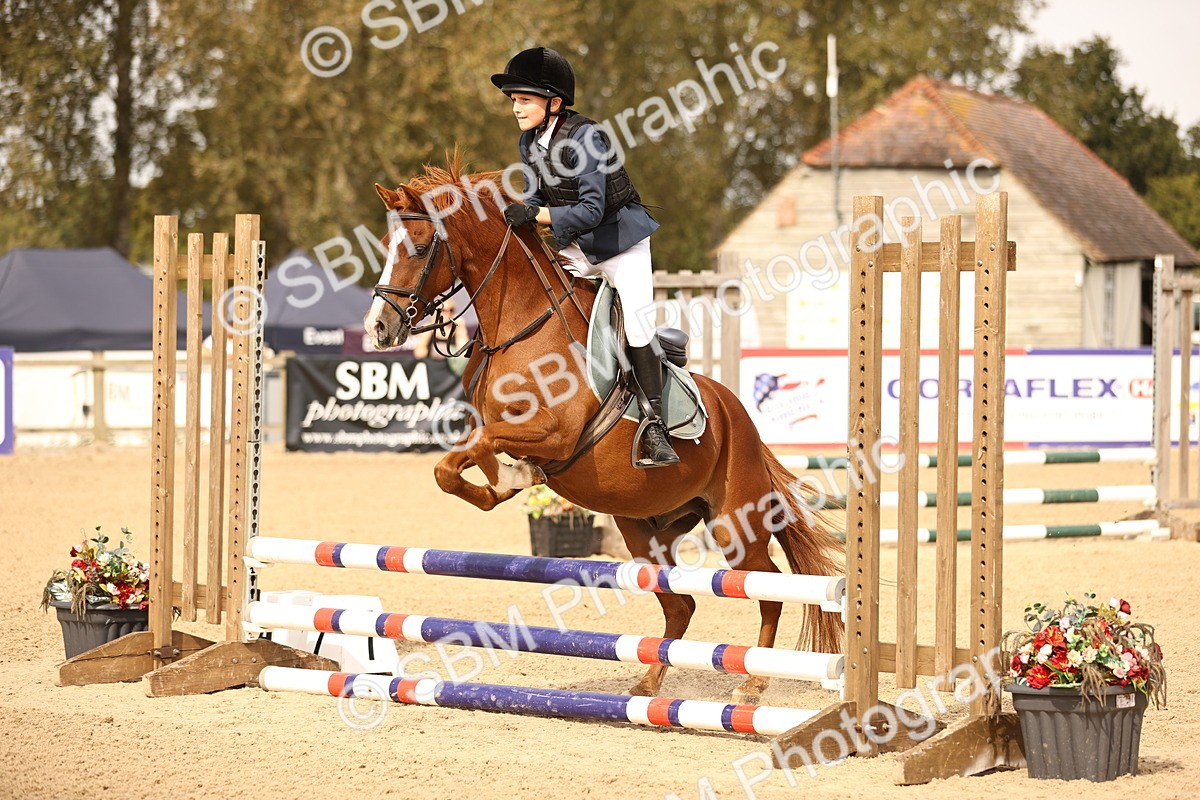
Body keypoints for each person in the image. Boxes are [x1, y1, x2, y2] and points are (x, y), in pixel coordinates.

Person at [491, 46, 679, 468]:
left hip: (619, 244)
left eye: (524, 99)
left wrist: (536, 214)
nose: (516, 108)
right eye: (514, 100)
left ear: (553, 102)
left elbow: (593, 209)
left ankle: (654, 423)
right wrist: (518, 212)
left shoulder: (587, 137)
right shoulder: (530, 141)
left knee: (636, 323)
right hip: (577, 244)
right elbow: (539, 195)